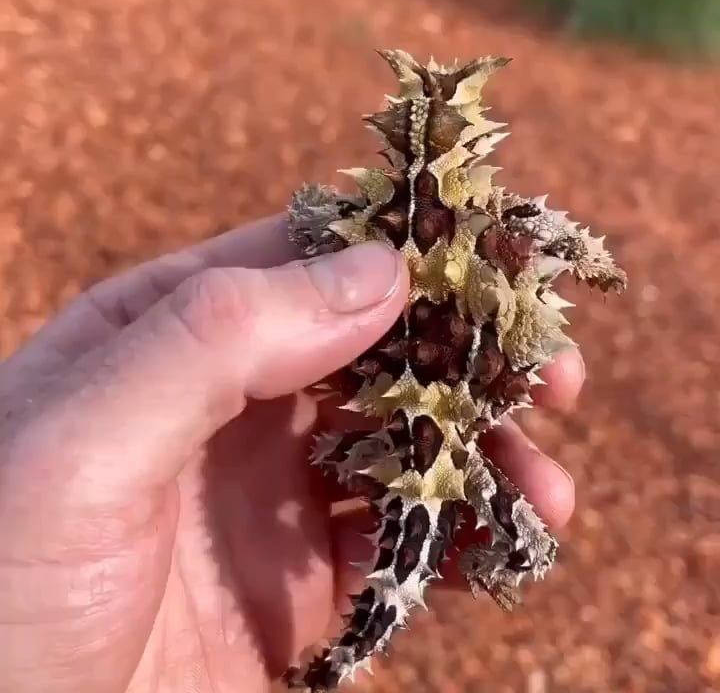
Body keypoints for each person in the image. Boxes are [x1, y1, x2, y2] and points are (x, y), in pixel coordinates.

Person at [0, 213, 581, 693]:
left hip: (422, 424)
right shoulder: (482, 226)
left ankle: (332, 667)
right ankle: (330, 668)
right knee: (510, 541)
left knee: (506, 540)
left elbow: (312, 216)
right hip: (422, 422)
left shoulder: (370, 219)